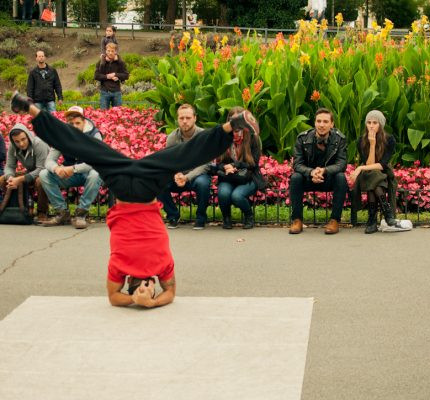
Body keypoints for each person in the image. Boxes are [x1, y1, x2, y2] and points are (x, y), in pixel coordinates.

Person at [11, 91, 259, 308]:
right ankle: (232, 125)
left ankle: (30, 108)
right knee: (180, 155)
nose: (145, 289)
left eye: (138, 289)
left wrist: (138, 300)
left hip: (124, 183)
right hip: (143, 185)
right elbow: (169, 292)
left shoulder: (121, 269)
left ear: (130, 284)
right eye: (149, 291)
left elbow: (113, 296)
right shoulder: (160, 269)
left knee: (89, 147)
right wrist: (149, 302)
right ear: (154, 286)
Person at [39, 105, 103, 229]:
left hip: (88, 174)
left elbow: (96, 161)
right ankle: (62, 213)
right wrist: (56, 169)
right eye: (71, 123)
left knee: (96, 173)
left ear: (84, 121)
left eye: (77, 123)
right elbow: (49, 161)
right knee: (44, 174)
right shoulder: (61, 136)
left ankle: (81, 213)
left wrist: (73, 169)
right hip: (69, 175)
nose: (74, 126)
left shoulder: (95, 135)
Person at [289, 108, 348, 235]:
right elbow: (297, 164)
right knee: (295, 178)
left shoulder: (339, 139)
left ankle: (334, 220)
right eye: (319, 121)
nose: (322, 125)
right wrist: (311, 172)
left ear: (332, 124)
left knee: (341, 177)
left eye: (325, 122)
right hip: (308, 178)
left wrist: (324, 170)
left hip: (329, 178)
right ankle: (297, 220)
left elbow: (341, 164)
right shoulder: (302, 139)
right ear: (314, 123)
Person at [158, 104, 210, 230]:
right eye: (181, 118)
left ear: (195, 118)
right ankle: (173, 216)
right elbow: (169, 162)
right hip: (179, 176)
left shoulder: (203, 136)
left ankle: (201, 218)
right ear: (178, 119)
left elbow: (205, 164)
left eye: (188, 117)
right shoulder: (172, 138)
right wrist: (176, 174)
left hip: (197, 175)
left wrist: (186, 177)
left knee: (203, 183)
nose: (184, 121)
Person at [213, 107, 265, 230]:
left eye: (239, 119)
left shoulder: (252, 137)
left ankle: (249, 216)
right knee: (224, 193)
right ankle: (226, 218)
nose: (236, 123)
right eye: (233, 120)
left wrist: (236, 165)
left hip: (248, 176)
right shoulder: (223, 137)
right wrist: (225, 167)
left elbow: (254, 164)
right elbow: (215, 165)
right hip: (228, 176)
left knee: (237, 196)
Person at [350, 110, 398, 234]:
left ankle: (372, 219)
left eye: (375, 123)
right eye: (369, 122)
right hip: (369, 172)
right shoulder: (361, 141)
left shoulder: (390, 140)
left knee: (375, 177)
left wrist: (360, 168)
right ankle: (387, 214)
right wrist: (372, 144)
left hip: (384, 173)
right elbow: (370, 165)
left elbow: (382, 165)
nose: (371, 126)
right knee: (373, 175)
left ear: (380, 125)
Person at [0, 124, 49, 222]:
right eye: (17, 141)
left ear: (28, 136)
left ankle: (42, 212)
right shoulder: (13, 146)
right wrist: (10, 178)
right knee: (3, 179)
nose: (21, 144)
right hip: (30, 172)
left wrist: (20, 179)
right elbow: (9, 166)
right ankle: (12, 210)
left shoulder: (39, 144)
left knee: (41, 181)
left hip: (46, 173)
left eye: (23, 139)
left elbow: (41, 169)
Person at [94, 42, 129, 110]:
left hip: (116, 92)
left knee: (118, 114)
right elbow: (96, 76)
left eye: (112, 51)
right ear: (105, 51)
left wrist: (115, 74)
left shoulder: (120, 62)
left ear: (115, 51)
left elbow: (126, 75)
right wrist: (107, 77)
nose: (110, 53)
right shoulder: (101, 62)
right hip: (104, 92)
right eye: (108, 51)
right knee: (103, 114)